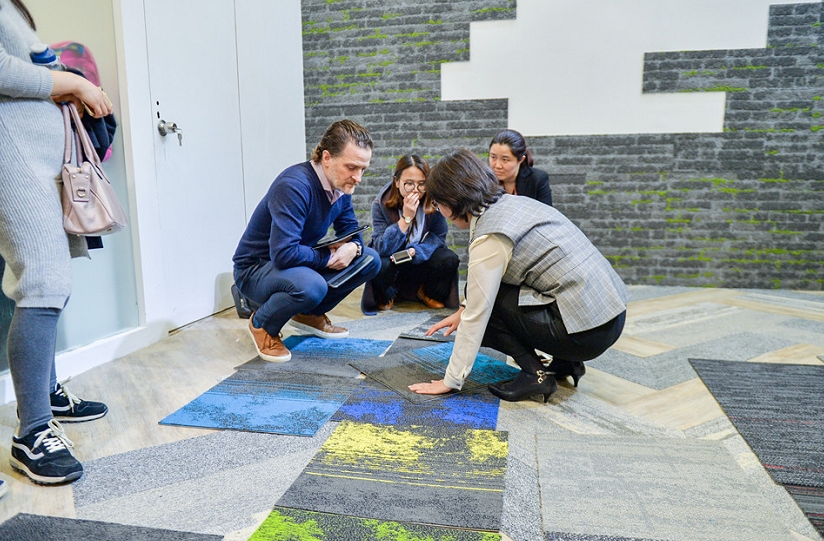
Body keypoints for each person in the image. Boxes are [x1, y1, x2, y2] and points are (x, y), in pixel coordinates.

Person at [408, 149, 627, 402]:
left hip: (586, 334)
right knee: (483, 293)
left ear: (453, 199)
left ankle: (536, 375)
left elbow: (478, 314)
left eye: (437, 203)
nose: (438, 210)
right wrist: (463, 308)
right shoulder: (514, 204)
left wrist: (451, 380)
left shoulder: (491, 234)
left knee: (488, 311)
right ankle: (567, 363)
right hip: (611, 314)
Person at [0, 0, 112, 486]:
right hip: (11, 154)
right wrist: (72, 83)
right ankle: (32, 431)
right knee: (43, 281)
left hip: (38, 154)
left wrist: (58, 72)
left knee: (52, 278)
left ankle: (46, 393)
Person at [233, 119, 381, 363]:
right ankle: (262, 324)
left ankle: (309, 314)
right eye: (352, 167)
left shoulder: (340, 185)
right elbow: (283, 254)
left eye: (363, 169)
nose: (358, 177)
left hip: (292, 264)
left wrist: (354, 248)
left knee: (370, 260)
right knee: (312, 286)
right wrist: (329, 258)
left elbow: (352, 231)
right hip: (255, 270)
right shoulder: (294, 186)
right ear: (327, 158)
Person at [362, 154, 459, 313]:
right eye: (409, 184)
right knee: (379, 263)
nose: (415, 190)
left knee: (448, 258)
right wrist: (405, 219)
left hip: (419, 259)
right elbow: (380, 247)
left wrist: (417, 251)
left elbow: (438, 237)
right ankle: (388, 295)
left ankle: (425, 292)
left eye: (421, 184)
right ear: (397, 182)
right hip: (393, 263)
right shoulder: (381, 203)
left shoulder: (433, 199)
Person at [488, 129, 553, 206]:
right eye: (493, 157)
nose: (497, 165)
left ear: (521, 159)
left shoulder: (537, 180)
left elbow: (546, 211)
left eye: (505, 160)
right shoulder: (485, 180)